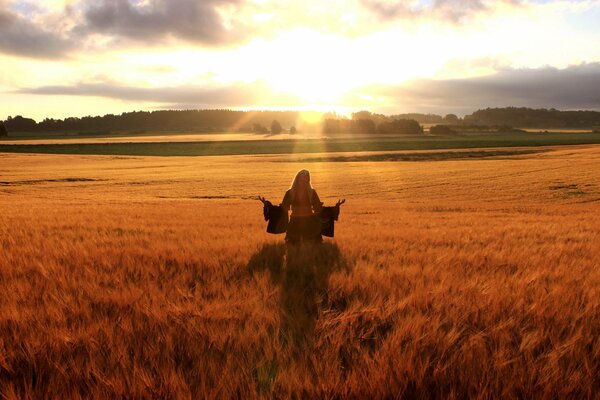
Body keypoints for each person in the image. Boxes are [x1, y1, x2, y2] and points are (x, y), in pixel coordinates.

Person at [281, 169, 323, 244]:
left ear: (308, 180)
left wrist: (334, 208)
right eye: (301, 178)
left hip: (310, 222)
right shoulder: (290, 192)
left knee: (312, 244)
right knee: (293, 245)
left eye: (306, 178)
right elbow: (283, 208)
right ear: (297, 179)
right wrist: (268, 205)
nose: (303, 181)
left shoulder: (312, 192)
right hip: (294, 223)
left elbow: (318, 207)